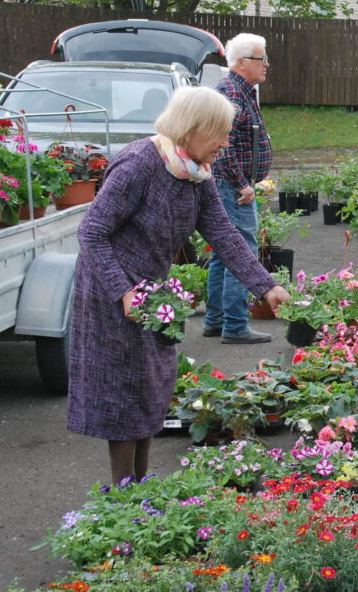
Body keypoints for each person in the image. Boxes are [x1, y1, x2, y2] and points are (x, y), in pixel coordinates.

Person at [67, 86, 290, 484]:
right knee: (123, 396)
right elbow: (92, 233)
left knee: (151, 388)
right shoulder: (139, 164)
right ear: (192, 129)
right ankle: (123, 497)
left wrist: (265, 286)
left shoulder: (195, 171)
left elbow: (222, 232)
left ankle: (141, 487)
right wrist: (123, 290)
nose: (225, 142)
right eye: (219, 133)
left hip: (152, 295)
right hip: (111, 292)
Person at [204, 32, 274, 344]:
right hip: (234, 188)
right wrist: (242, 184)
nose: (267, 65)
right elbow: (224, 146)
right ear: (243, 62)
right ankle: (234, 325)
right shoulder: (233, 93)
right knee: (241, 251)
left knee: (223, 253)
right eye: (262, 59)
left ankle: (215, 320)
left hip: (232, 185)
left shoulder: (240, 90)